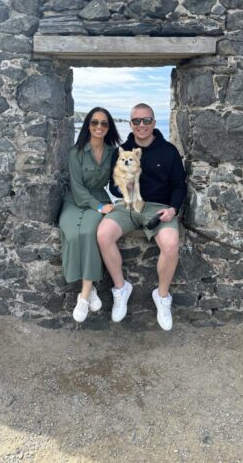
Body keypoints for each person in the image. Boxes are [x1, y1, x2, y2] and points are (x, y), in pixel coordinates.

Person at [97, 103, 186, 331]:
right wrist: (122, 188)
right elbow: (114, 186)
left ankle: (162, 297)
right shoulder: (123, 150)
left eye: (146, 120)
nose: (141, 125)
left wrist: (173, 209)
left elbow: (179, 185)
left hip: (157, 207)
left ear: (154, 123)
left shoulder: (168, 151)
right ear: (131, 124)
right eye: (137, 121)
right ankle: (121, 288)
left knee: (171, 243)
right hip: (128, 205)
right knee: (104, 235)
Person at [59, 107, 121, 323]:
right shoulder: (75, 153)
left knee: (87, 232)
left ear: (108, 127)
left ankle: (83, 296)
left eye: (104, 123)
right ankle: (91, 286)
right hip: (76, 201)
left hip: (101, 200)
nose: (99, 127)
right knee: (73, 235)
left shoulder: (114, 153)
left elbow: (119, 181)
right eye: (95, 122)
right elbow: (77, 188)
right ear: (87, 125)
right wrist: (98, 207)